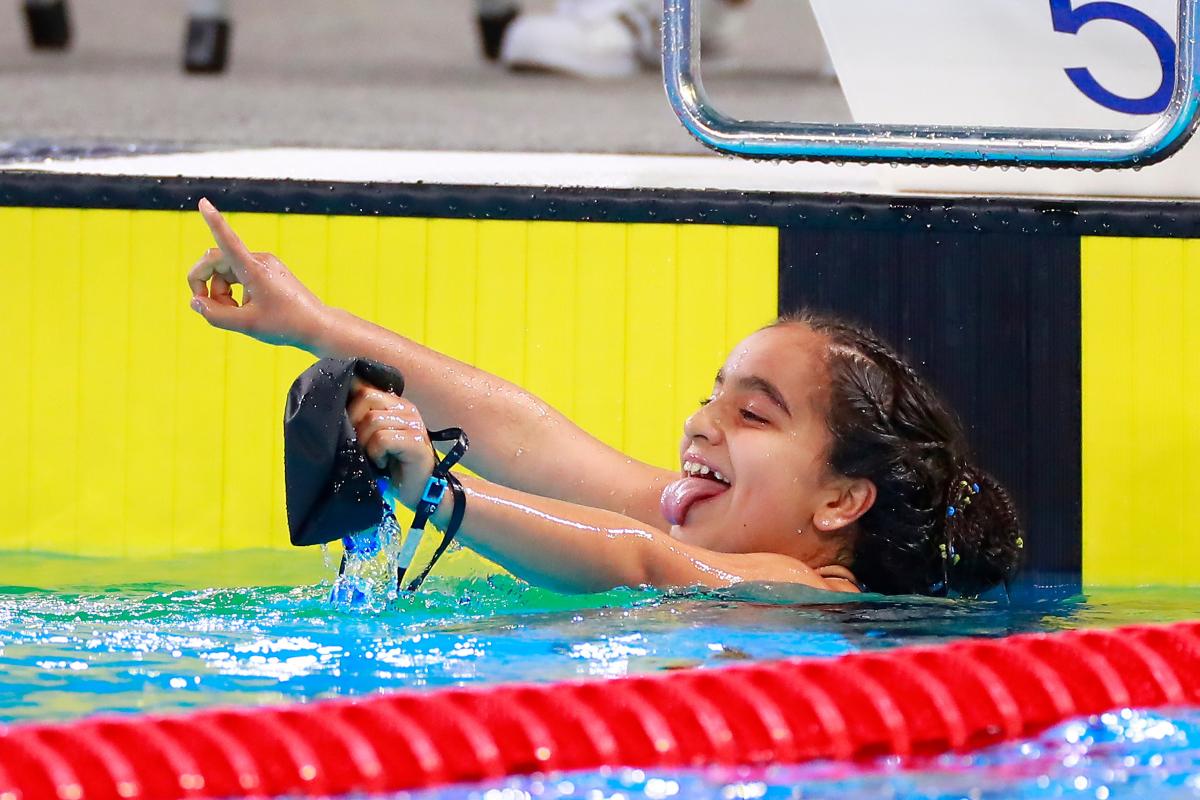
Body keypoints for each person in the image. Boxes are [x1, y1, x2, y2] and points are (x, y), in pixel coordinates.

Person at [187, 198, 1022, 597]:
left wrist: (440, 494)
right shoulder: (697, 518)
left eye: (752, 413)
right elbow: (525, 436)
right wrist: (311, 323)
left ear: (842, 499)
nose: (701, 423)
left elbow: (642, 561)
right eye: (712, 397)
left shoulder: (819, 593)